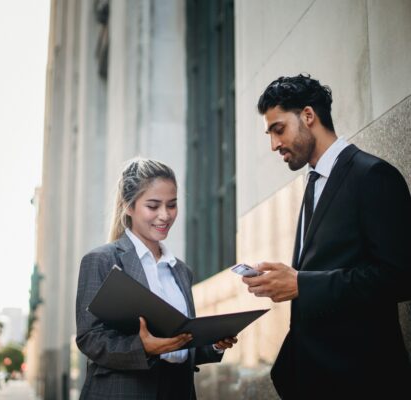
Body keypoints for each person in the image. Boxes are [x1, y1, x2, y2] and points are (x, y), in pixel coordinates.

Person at [241, 74, 411, 399]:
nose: (274, 145)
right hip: (314, 379)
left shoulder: (373, 176)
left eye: (278, 130)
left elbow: (400, 276)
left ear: (308, 116)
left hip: (364, 380)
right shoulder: (312, 184)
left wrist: (301, 284)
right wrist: (288, 280)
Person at [76, 158, 237, 400]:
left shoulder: (180, 270)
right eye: (153, 206)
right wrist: (142, 348)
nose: (165, 215)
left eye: (172, 205)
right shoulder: (102, 260)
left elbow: (181, 344)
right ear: (128, 207)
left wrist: (213, 344)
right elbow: (89, 338)